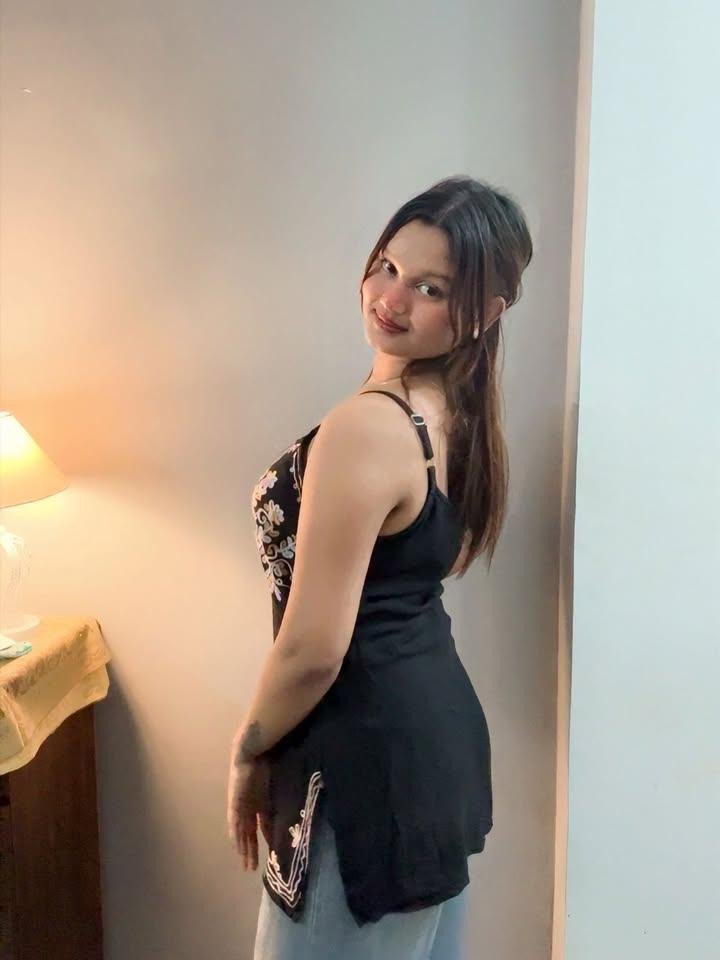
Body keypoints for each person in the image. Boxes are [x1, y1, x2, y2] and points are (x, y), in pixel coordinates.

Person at [227, 174, 533, 959]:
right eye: (389, 266)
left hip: (363, 764)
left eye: (431, 288)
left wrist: (248, 748)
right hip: (429, 752)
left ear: (485, 312)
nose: (391, 298)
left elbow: (312, 649)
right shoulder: (453, 413)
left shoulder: (369, 427)